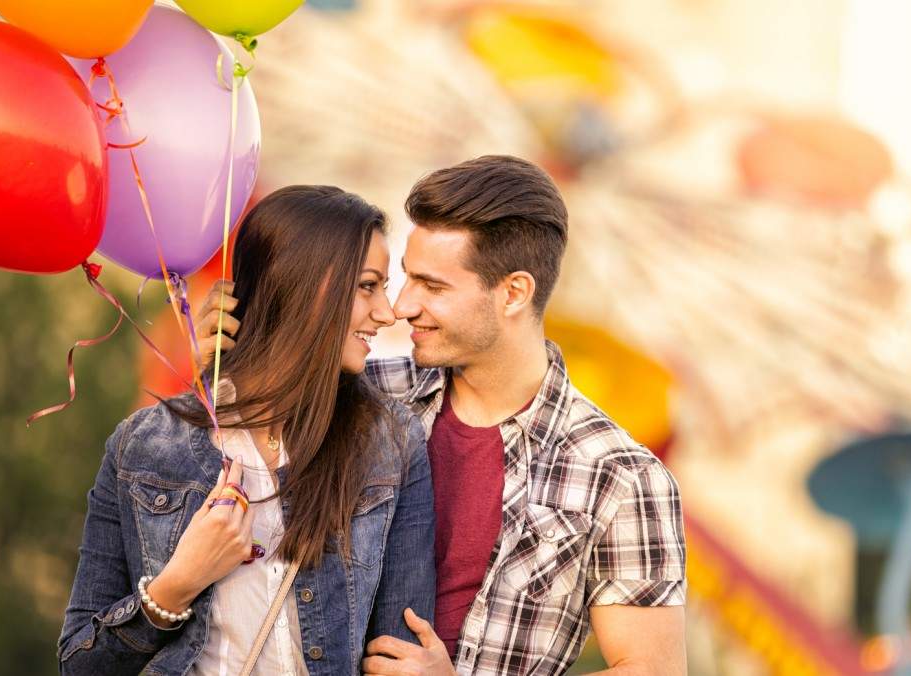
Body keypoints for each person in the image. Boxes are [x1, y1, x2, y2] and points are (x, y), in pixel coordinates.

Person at [198, 156, 687, 675]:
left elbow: (652, 669)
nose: (403, 305)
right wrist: (225, 364)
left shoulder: (619, 475)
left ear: (514, 293)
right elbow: (217, 472)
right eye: (405, 279)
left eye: (432, 286)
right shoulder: (363, 393)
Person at [59, 186, 435, 675]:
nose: (386, 314)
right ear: (300, 286)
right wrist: (177, 585)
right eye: (368, 287)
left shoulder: (389, 441)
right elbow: (78, 665)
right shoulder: (144, 446)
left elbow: (399, 654)